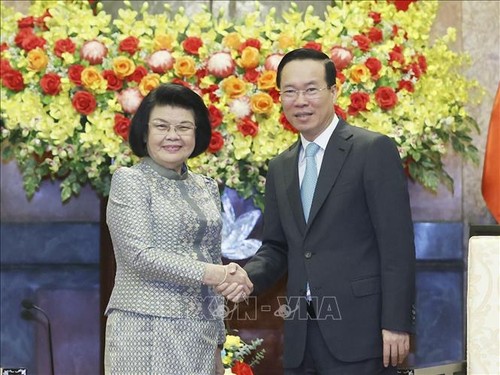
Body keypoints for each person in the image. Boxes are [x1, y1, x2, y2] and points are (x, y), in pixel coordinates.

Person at [218, 48, 416, 374]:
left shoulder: (371, 150)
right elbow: (277, 248)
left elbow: (397, 245)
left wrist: (396, 322)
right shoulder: (281, 166)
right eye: (290, 91)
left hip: (362, 332)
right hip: (300, 337)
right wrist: (246, 278)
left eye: (311, 89)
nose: (300, 100)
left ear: (333, 92)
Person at [104, 83, 253, 375]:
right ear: (145, 133)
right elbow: (140, 256)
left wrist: (217, 344)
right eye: (161, 126)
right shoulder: (130, 182)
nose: (173, 136)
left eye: (184, 127)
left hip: (200, 334)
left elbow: (211, 258)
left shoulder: (206, 187)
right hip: (144, 330)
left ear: (196, 134)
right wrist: (219, 274)